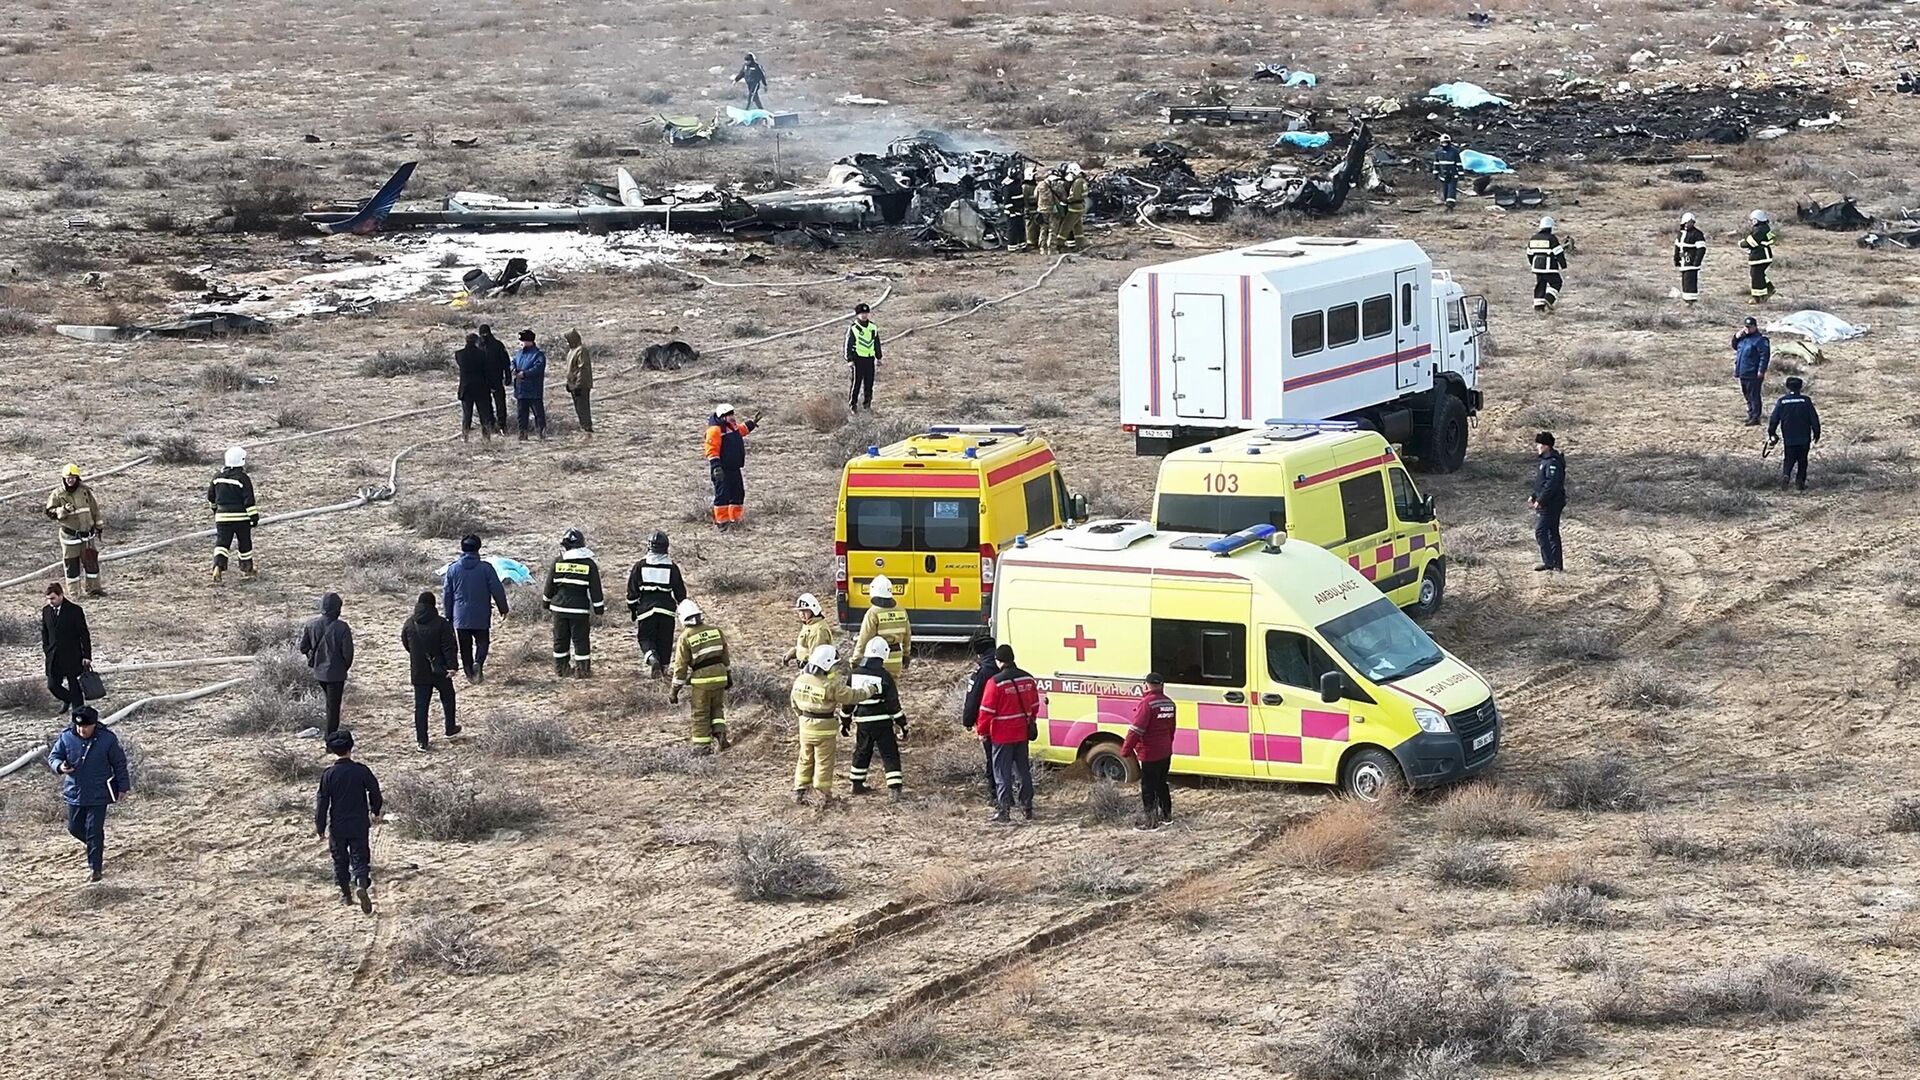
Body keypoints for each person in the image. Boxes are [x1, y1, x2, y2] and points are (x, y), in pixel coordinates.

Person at [47, 705, 128, 882]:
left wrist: (123, 787)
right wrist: (60, 766)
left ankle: (95, 869)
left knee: (94, 830)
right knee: (74, 828)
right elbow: (54, 757)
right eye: (79, 727)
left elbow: (119, 763)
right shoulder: (66, 737)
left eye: (85, 727)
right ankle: (95, 846)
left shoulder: (108, 740)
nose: (82, 730)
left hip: (99, 793)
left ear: (94, 725)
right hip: (74, 792)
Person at [789, 644, 873, 807]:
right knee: (824, 763)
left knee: (805, 759)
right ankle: (822, 795)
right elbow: (851, 696)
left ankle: (800, 790)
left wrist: (803, 718)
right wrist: (869, 690)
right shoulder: (830, 684)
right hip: (825, 729)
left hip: (805, 727)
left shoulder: (800, 679)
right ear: (827, 663)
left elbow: (794, 704)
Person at [314, 729, 382, 913]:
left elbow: (322, 801)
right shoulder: (361, 770)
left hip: (338, 825)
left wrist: (320, 826)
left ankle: (346, 895)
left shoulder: (328, 774)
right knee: (360, 856)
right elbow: (374, 791)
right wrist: (376, 809)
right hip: (359, 823)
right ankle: (360, 881)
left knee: (340, 859)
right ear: (351, 747)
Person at [978, 644, 1041, 823]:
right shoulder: (1028, 679)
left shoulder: (995, 682)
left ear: (999, 661)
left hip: (1001, 735)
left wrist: (982, 731)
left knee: (1002, 773)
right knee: (1023, 771)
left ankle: (1004, 811)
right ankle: (1027, 807)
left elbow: (986, 711)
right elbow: (1035, 705)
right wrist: (1030, 720)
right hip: (1022, 732)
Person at [847, 636, 908, 799]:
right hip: (882, 723)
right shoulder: (885, 676)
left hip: (862, 722)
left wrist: (845, 720)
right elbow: (893, 704)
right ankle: (894, 789)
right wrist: (902, 723)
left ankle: (857, 783)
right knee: (889, 753)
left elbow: (848, 701)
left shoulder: (854, 675)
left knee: (861, 750)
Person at [443, 535, 508, 683]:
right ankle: (478, 662)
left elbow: (447, 594)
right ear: (478, 548)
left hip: (460, 615)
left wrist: (448, 615)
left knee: (465, 646)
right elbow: (497, 589)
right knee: (482, 642)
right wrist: (503, 608)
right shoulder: (486, 568)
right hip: (481, 614)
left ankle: (470, 674)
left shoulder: (453, 569)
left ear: (462, 548)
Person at [670, 598, 732, 752]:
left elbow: (680, 667)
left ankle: (702, 747)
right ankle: (720, 732)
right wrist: (728, 676)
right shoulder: (715, 631)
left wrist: (674, 691)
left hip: (702, 681)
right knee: (717, 707)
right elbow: (725, 656)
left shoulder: (685, 637)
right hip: (721, 676)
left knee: (700, 713)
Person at [543, 528, 605, 677]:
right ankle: (582, 671)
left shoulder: (558, 562)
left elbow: (549, 586)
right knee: (580, 640)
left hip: (559, 608)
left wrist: (546, 603)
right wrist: (599, 608)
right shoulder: (589, 564)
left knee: (560, 639)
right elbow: (595, 589)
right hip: (579, 610)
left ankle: (561, 669)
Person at [401, 591, 460, 750]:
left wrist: (417, 656)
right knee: (448, 697)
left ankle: (422, 740)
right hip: (440, 669)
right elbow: (449, 647)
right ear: (433, 605)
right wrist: (452, 666)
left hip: (419, 670)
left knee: (421, 706)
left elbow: (406, 644)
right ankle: (450, 727)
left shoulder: (409, 623)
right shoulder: (442, 623)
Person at [1121, 673, 1177, 830]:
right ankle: (1167, 816)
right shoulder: (1169, 703)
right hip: (1165, 751)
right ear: (1162, 685)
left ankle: (1151, 822)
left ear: (1147, 685)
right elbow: (1172, 729)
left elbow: (1136, 729)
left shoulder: (1147, 704)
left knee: (1148, 787)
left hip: (1150, 752)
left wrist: (1125, 750)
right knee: (1161, 784)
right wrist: (1167, 744)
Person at [626, 531, 685, 678]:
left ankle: (651, 656)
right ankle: (664, 670)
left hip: (646, 610)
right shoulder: (672, 568)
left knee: (645, 638)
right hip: (667, 612)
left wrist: (633, 609)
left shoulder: (639, 566)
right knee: (665, 641)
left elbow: (632, 592)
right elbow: (681, 594)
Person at [45, 463, 105, 596]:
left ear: (78, 478)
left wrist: (98, 526)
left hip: (87, 536)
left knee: (91, 563)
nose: (70, 480)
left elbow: (94, 509)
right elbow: (49, 512)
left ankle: (94, 589)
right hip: (70, 537)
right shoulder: (58, 494)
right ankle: (74, 592)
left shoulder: (85, 491)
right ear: (63, 479)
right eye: (68, 478)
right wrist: (63, 510)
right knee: (72, 565)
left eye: (73, 478)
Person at [298, 592, 354, 735]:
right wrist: (343, 668)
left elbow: (303, 647)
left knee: (330, 705)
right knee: (333, 708)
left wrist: (314, 659)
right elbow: (348, 654)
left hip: (319, 672)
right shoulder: (342, 627)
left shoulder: (311, 624)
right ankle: (331, 739)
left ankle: (330, 735)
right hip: (336, 674)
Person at [207, 445, 258, 581]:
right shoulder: (242, 478)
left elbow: (211, 497)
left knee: (222, 543)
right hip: (241, 518)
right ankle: (247, 567)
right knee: (244, 542)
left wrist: (215, 510)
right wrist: (254, 517)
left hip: (222, 517)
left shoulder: (217, 477)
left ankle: (218, 566)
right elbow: (248, 500)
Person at [40, 582, 91, 717]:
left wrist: (87, 655)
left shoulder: (74, 610)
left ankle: (79, 713)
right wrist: (46, 648)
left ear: (61, 595)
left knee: (74, 686)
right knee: (52, 685)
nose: (50, 602)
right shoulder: (46, 611)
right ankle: (68, 699)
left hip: (72, 655)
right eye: (48, 599)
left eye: (53, 598)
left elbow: (84, 634)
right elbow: (45, 632)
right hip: (53, 656)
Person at [704, 403, 758, 531]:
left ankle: (736, 520)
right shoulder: (714, 431)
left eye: (732, 414)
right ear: (723, 417)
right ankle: (722, 522)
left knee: (738, 494)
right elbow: (712, 450)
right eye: (729, 415)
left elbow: (741, 431)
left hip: (734, 468)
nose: (733, 417)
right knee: (722, 495)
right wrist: (716, 467)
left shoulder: (731, 427)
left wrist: (751, 424)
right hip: (722, 469)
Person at [1767, 376, 1822, 492]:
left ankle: (1786, 474)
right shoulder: (1806, 401)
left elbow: (1774, 419)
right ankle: (1800, 483)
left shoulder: (1782, 401)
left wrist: (1771, 432)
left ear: (1787, 387)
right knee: (1803, 460)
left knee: (1789, 458)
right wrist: (1817, 432)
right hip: (1804, 436)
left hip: (1789, 436)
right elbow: (1814, 418)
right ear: (1801, 387)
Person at [959, 635, 998, 798]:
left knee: (992, 759)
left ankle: (995, 795)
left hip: (988, 724)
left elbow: (972, 698)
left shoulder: (981, 673)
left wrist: (967, 721)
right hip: (1011, 722)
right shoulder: (1003, 666)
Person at [853, 575, 911, 676]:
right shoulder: (901, 611)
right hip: (896, 659)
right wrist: (906, 655)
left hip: (878, 659)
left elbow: (864, 639)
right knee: (892, 689)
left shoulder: (873, 613)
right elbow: (907, 636)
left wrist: (856, 660)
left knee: (879, 688)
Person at [1529, 431, 1567, 572]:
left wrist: (1541, 500)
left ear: (1546, 446)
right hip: (1549, 502)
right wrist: (1534, 496)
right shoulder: (1546, 461)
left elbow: (1552, 484)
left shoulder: (1553, 463)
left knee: (1541, 531)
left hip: (1552, 503)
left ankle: (1549, 562)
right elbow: (1542, 483)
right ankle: (1556, 564)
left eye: (1539, 444)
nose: (1537, 447)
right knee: (1551, 532)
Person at [454, 333, 495, 443]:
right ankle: (486, 437)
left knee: (467, 415)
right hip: (481, 388)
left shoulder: (459, 354)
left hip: (466, 388)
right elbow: (487, 371)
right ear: (477, 341)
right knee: (484, 415)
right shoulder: (482, 354)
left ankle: (465, 436)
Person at [1732, 316, 1771, 426]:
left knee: (1754, 396)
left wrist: (1761, 371)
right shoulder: (1743, 339)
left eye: (1750, 327)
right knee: (1747, 395)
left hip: (1753, 373)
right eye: (1746, 327)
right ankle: (1750, 414)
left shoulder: (1760, 340)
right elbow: (1735, 346)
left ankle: (1755, 417)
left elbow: (1764, 356)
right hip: (1742, 371)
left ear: (1755, 327)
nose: (1747, 329)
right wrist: (1736, 337)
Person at [511, 328, 548, 440]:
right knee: (521, 415)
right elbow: (513, 362)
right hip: (521, 389)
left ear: (530, 341)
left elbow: (538, 368)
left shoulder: (538, 355)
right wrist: (513, 369)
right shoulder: (519, 353)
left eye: (523, 341)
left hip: (534, 390)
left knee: (538, 413)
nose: (521, 343)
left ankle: (541, 433)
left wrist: (525, 374)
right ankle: (522, 433)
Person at [845, 303, 881, 413]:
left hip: (869, 359)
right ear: (857, 315)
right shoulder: (854, 328)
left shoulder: (873, 327)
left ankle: (867, 404)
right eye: (861, 313)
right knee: (856, 383)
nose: (864, 315)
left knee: (869, 383)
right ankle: (853, 405)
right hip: (858, 359)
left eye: (866, 313)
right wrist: (850, 359)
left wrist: (879, 357)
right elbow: (849, 344)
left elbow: (876, 343)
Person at [477, 324, 512, 435]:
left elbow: (505, 362)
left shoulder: (496, 345)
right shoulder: (479, 345)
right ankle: (491, 424)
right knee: (487, 405)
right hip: (484, 380)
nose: (485, 336)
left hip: (496, 378)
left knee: (499, 403)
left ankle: (502, 425)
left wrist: (508, 375)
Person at [1527, 216, 1567, 314]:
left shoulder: (1533, 238)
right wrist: (1563, 265)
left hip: (1537, 267)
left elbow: (1529, 253)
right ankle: (1548, 299)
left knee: (1540, 285)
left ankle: (1538, 308)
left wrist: (1533, 264)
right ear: (1550, 227)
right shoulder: (1551, 238)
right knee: (1556, 282)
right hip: (1549, 267)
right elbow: (1558, 253)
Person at [786, 593, 834, 666]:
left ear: (813, 610)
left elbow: (817, 658)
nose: (802, 614)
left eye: (805, 611)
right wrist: (794, 652)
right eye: (800, 611)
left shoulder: (819, 630)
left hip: (814, 670)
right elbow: (806, 646)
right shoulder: (809, 624)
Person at [1740, 209, 1777, 302]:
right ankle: (1769, 288)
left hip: (1760, 257)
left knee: (1756, 276)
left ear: (1756, 220)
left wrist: (1742, 243)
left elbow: (1751, 242)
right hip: (1763, 256)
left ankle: (1759, 298)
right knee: (1759, 274)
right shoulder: (1764, 228)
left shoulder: (1759, 230)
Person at [563, 328, 593, 440]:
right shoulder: (572, 351)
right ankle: (584, 429)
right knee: (578, 408)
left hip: (581, 385)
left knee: (583, 408)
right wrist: (569, 383)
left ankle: (587, 431)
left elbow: (583, 369)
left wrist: (579, 384)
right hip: (573, 385)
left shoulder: (581, 350)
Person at [1673, 212, 1707, 304]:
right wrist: (1677, 260)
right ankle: (1685, 299)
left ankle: (1691, 301)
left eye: (1692, 222)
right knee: (1685, 281)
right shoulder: (1681, 234)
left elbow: (1701, 249)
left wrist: (1697, 262)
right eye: (1688, 222)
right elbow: (1677, 248)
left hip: (1691, 263)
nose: (1690, 224)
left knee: (1690, 281)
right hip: (1684, 262)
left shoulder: (1697, 234)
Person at [1057, 162, 1088, 251]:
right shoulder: (1081, 180)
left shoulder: (1078, 182)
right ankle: (1080, 243)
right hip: (1079, 206)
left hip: (1074, 207)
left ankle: (1059, 243)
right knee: (1077, 226)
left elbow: (1075, 196)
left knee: (1066, 225)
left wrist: (1066, 200)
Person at [1430, 133, 1463, 210]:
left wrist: (1461, 174)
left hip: (1452, 174)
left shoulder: (1454, 151)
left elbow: (1458, 163)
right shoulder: (1438, 151)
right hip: (1443, 175)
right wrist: (1435, 173)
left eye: (1446, 142)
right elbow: (1436, 163)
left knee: (1451, 188)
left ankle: (1450, 204)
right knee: (1445, 189)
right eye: (1443, 142)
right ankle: (1446, 202)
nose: (1445, 144)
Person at [1033, 165, 1058, 254]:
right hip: (1052, 210)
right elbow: (1062, 196)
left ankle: (1042, 248)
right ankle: (1052, 249)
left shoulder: (1040, 185)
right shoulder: (1056, 185)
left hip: (1041, 210)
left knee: (1043, 229)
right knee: (1052, 230)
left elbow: (1035, 196)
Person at [1021, 163, 1044, 251]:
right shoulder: (1025, 187)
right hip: (1030, 209)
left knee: (1037, 226)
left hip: (1037, 209)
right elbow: (1026, 200)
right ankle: (1031, 242)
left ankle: (1036, 240)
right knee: (1030, 226)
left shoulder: (1035, 186)